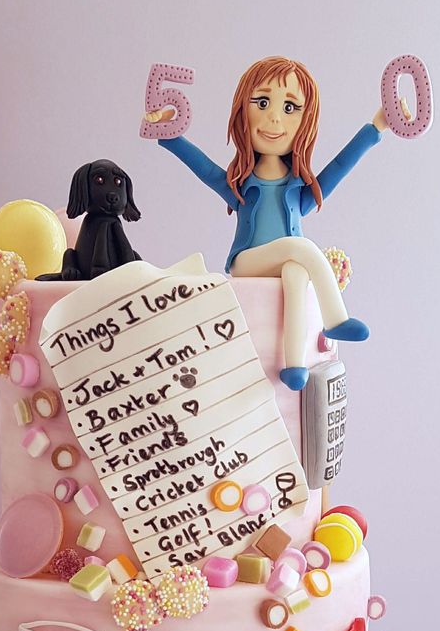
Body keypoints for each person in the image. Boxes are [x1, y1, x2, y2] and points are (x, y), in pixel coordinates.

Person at [149, 56, 399, 390]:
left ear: (305, 122)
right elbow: (204, 168)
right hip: (247, 262)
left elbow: (339, 165)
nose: (274, 117)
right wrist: (166, 134)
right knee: (301, 248)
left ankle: (294, 366)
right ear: (243, 113)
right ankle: (336, 317)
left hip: (287, 264)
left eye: (290, 107)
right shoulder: (241, 185)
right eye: (262, 102)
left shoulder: (298, 188)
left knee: (296, 274)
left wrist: (376, 127)